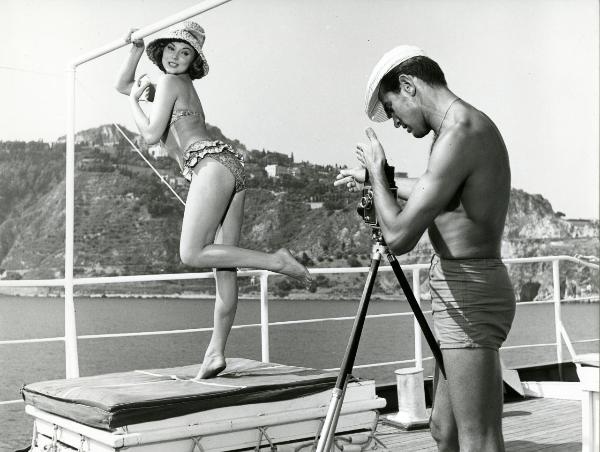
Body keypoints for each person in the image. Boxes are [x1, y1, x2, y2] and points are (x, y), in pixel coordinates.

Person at [335, 46, 515, 452]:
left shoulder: (461, 133)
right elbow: (435, 192)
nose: (395, 121)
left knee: (478, 440)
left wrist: (380, 174)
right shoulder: (456, 130)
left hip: (469, 289)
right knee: (443, 430)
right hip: (459, 288)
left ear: (408, 85)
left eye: (391, 108)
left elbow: (399, 236)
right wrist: (375, 179)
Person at [115, 21, 312, 380]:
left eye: (185, 52)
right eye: (172, 49)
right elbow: (123, 84)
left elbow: (148, 134)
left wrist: (132, 102)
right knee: (225, 269)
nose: (176, 56)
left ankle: (276, 261)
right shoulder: (174, 87)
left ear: (193, 61)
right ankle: (216, 353)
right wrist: (135, 50)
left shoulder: (172, 83)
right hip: (229, 166)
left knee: (191, 253)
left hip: (209, 166)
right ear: (162, 53)